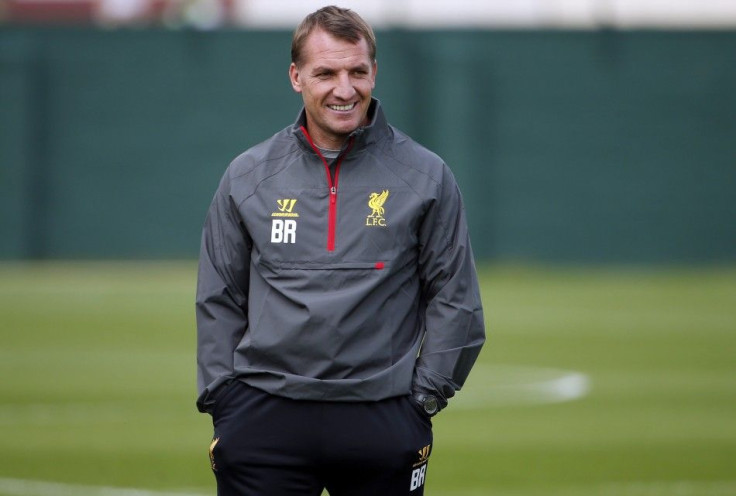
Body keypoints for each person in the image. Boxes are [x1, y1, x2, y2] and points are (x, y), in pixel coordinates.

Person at [196, 5, 486, 495]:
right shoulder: (247, 176)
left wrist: (420, 404)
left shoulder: (425, 175)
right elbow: (219, 296)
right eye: (325, 73)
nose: (344, 89)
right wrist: (225, 401)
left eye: (357, 71)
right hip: (264, 419)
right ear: (296, 77)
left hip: (384, 418)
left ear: (375, 72)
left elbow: (456, 298)